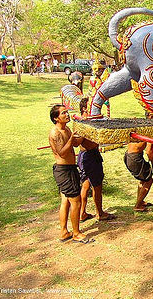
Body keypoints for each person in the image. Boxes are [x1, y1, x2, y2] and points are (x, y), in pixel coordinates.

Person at [48, 104, 90, 243]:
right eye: (63, 113)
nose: (67, 115)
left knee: (65, 201)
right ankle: (76, 233)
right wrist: (71, 140)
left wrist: (84, 132)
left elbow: (76, 144)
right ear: (56, 118)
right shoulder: (55, 133)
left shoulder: (66, 129)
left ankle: (64, 232)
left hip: (70, 168)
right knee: (76, 201)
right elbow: (62, 152)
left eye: (67, 112)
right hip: (64, 170)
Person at [77, 98, 116, 221]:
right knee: (96, 186)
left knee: (86, 185)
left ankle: (82, 213)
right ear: (84, 108)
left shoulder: (85, 121)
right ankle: (100, 213)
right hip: (89, 156)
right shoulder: (84, 123)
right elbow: (83, 143)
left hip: (87, 156)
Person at [124, 118, 153, 212]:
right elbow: (149, 152)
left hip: (129, 156)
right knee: (149, 181)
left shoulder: (139, 128)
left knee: (143, 180)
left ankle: (140, 201)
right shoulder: (147, 131)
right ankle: (138, 205)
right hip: (134, 158)